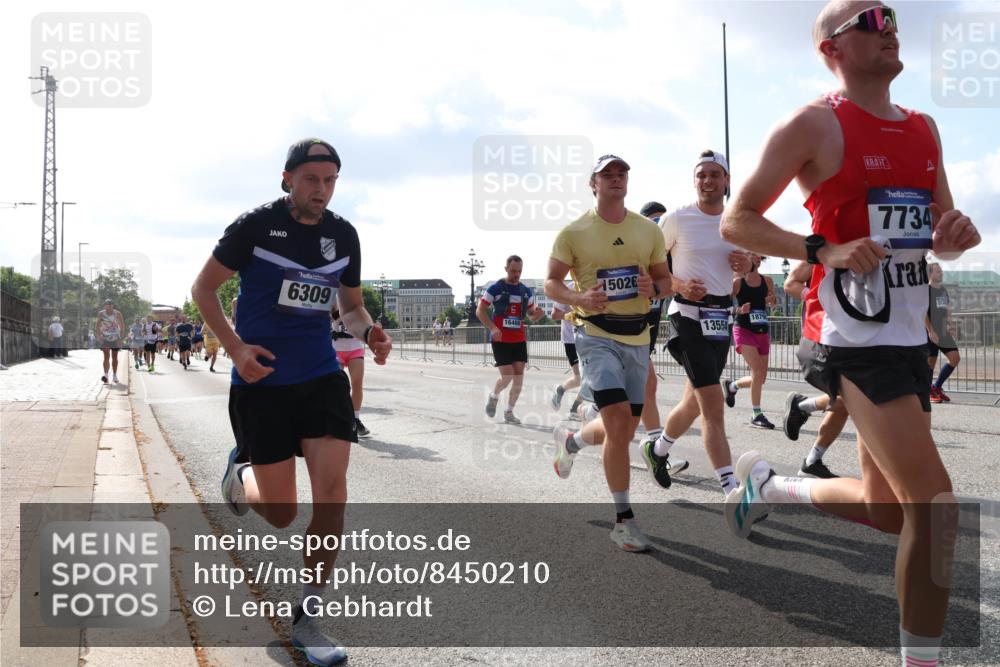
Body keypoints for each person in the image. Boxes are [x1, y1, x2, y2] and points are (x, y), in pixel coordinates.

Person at [719, 4, 980, 664]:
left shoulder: (924, 128)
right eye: (870, 18)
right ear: (831, 49)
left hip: (906, 340)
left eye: (892, 15)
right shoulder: (814, 123)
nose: (889, 24)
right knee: (936, 508)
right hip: (851, 337)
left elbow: (939, 235)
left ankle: (770, 488)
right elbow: (737, 220)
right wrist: (821, 249)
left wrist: (956, 236)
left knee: (887, 509)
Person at [193, 137, 391, 666]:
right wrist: (234, 349)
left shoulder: (343, 234)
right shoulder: (254, 227)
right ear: (288, 179)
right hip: (263, 381)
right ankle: (241, 475)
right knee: (282, 514)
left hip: (322, 378)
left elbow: (350, 306)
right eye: (311, 180)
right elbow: (203, 290)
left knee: (333, 495)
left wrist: (369, 332)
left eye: (329, 181)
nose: (321, 191)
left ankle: (307, 617)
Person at [546, 153, 671, 552]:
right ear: (593, 184)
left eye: (621, 173)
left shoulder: (647, 231)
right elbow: (551, 283)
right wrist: (579, 296)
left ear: (627, 182)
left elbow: (664, 280)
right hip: (595, 333)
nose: (615, 179)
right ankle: (623, 520)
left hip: (638, 336)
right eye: (607, 175)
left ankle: (571, 443)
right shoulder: (574, 231)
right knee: (618, 422)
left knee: (623, 429)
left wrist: (657, 288)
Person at [643, 151, 752, 497]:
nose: (707, 181)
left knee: (694, 402)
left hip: (720, 317)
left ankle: (657, 450)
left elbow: (747, 266)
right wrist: (679, 285)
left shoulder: (736, 221)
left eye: (714, 175)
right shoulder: (678, 218)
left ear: (726, 180)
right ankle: (731, 490)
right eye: (701, 175)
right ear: (695, 181)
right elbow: (652, 265)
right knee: (713, 403)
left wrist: (746, 264)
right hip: (686, 314)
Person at [782, 260, 844, 478]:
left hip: (854, 337)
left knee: (846, 400)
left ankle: (812, 460)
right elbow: (790, 284)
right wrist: (818, 297)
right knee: (852, 396)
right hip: (823, 334)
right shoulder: (820, 250)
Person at [477, 255, 544, 424]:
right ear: (506, 269)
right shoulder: (495, 288)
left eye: (519, 271)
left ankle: (509, 411)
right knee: (507, 377)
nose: (517, 274)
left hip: (519, 339)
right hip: (501, 340)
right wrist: (493, 328)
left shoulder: (526, 291)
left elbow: (531, 316)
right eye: (513, 271)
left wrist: (539, 315)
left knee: (519, 379)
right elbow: (480, 310)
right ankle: (494, 396)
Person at [723, 253, 778, 428]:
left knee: (760, 378)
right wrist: (739, 310)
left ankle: (733, 386)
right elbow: (725, 306)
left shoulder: (767, 281)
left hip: (762, 330)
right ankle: (756, 414)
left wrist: (771, 301)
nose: (758, 258)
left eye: (759, 256)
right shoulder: (738, 283)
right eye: (753, 255)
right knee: (756, 370)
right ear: (746, 259)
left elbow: (774, 302)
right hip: (743, 329)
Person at [331, 308, 370, 436]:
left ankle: (355, 419)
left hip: (355, 348)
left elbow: (364, 321)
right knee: (338, 387)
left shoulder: (353, 301)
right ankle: (339, 418)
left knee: (357, 385)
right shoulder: (332, 299)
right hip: (336, 349)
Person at [926, 262, 959, 403]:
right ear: (930, 274)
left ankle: (937, 387)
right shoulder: (925, 290)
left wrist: (951, 325)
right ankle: (928, 392)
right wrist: (930, 331)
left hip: (943, 331)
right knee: (930, 364)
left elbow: (948, 309)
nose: (941, 272)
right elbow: (922, 312)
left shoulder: (943, 290)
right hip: (931, 332)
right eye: (938, 271)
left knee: (955, 358)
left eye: (941, 270)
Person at [548, 296, 584, 420]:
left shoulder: (593, 285)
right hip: (571, 340)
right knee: (581, 379)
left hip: (589, 340)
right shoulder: (566, 290)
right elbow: (554, 315)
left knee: (588, 378)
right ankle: (572, 406)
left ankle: (563, 393)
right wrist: (572, 315)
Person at [95, 299, 125, 384]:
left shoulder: (117, 313)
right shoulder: (101, 314)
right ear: (104, 306)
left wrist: (121, 339)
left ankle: (115, 375)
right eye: (107, 305)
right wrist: (99, 335)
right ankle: (106, 375)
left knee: (114, 357)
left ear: (113, 306)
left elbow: (122, 326)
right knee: (106, 357)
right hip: (105, 338)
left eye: (110, 305)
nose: (108, 307)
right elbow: (97, 325)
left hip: (115, 338)